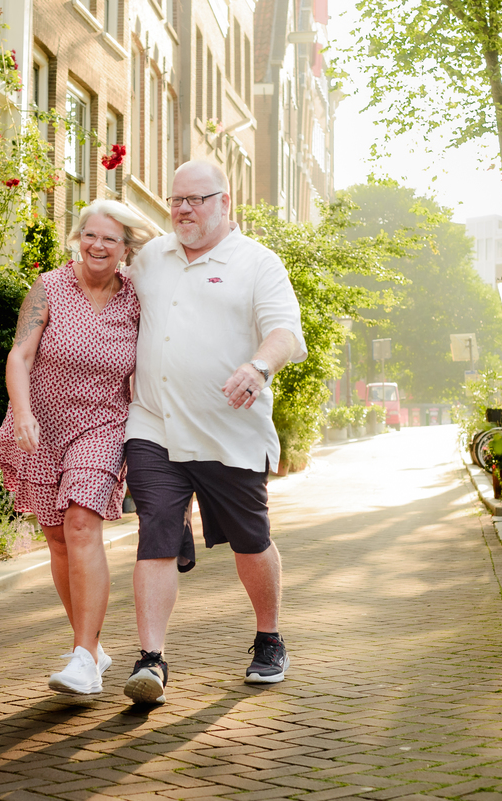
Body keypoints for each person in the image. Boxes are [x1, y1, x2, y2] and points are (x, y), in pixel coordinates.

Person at [121, 161, 307, 705]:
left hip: (230, 431)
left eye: (196, 199)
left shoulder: (256, 263)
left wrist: (258, 368)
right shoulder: (153, 256)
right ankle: (151, 661)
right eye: (176, 199)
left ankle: (269, 638)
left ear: (226, 201)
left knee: (250, 540)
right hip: (154, 424)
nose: (182, 209)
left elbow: (284, 333)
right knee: (154, 530)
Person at [0, 200, 155, 695]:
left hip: (102, 424)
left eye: (110, 239)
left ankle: (83, 656)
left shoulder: (137, 299)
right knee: (57, 538)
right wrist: (22, 413)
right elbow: (20, 354)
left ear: (127, 248)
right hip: (41, 422)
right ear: (78, 238)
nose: (98, 246)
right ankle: (92, 649)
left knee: (82, 523)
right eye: (90, 235)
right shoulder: (50, 287)